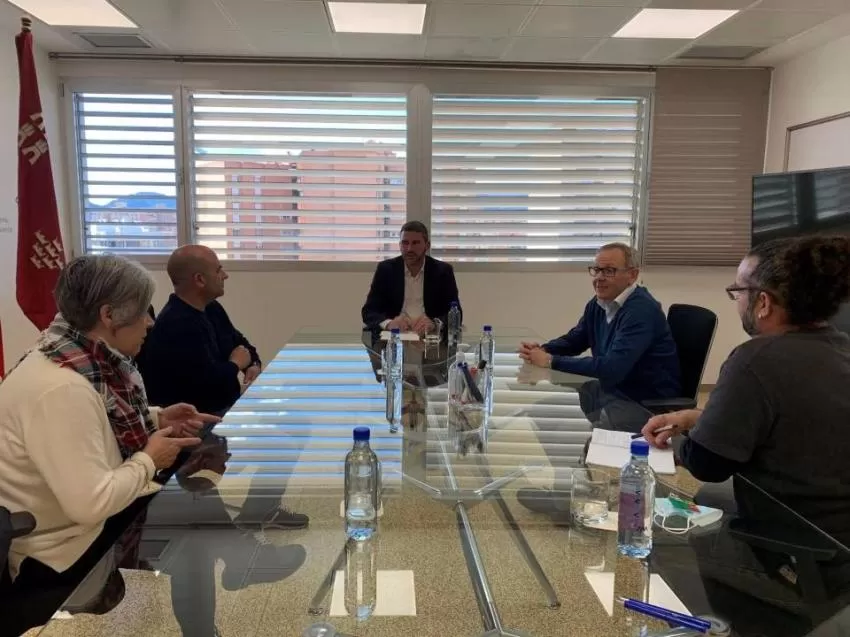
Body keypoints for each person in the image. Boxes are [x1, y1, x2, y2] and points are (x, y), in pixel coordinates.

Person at [0, 255, 214, 634]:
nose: (150, 322)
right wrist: (149, 460)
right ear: (109, 315)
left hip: (73, 529)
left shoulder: (66, 355)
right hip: (62, 554)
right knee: (195, 535)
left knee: (195, 508)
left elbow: (88, 427)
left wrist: (156, 419)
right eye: (143, 312)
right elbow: (91, 504)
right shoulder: (62, 389)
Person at [643, 235, 850, 546]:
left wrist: (675, 443)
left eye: (738, 291)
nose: (737, 301)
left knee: (657, 534)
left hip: (791, 545)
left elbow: (707, 464)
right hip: (836, 534)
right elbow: (790, 426)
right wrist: (696, 417)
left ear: (763, 302)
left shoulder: (755, 360)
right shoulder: (841, 348)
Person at [519, 242, 681, 403]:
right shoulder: (599, 303)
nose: (599, 278)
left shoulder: (641, 311)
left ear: (632, 275)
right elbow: (576, 340)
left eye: (609, 271)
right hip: (610, 393)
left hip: (643, 402)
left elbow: (612, 368)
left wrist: (550, 361)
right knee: (534, 408)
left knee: (543, 411)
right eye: (596, 270)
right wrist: (543, 349)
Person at [138, 245, 261, 416]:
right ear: (200, 280)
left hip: (225, 405)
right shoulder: (175, 325)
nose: (225, 275)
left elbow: (240, 344)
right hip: (198, 419)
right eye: (218, 270)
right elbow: (207, 387)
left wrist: (253, 364)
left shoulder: (211, 308)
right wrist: (236, 364)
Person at [361, 221, 461, 336]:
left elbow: (456, 313)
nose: (409, 249)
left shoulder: (442, 271)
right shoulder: (386, 269)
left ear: (427, 245)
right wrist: (389, 323)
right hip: (395, 336)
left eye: (415, 243)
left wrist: (434, 323)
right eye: (405, 243)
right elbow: (369, 311)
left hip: (429, 337)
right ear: (399, 245)